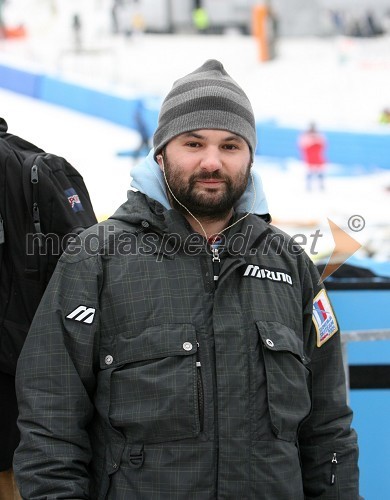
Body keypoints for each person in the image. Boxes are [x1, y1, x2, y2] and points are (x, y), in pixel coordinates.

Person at [13, 60, 361, 499]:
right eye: (193, 143)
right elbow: (51, 422)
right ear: (160, 154)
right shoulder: (95, 259)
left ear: (250, 157)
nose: (212, 161)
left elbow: (328, 430)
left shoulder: (292, 265)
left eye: (230, 146)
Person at [298, 122, 327, 191]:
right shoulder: (306, 135)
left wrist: (316, 139)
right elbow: (303, 144)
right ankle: (309, 186)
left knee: (320, 172)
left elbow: (323, 144)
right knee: (310, 172)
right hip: (310, 157)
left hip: (317, 156)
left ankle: (321, 185)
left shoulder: (319, 135)